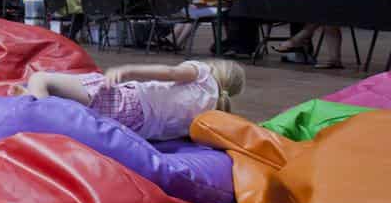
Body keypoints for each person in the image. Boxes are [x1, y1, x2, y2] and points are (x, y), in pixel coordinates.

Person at [16, 59, 244, 141]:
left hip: (129, 101)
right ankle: (34, 102)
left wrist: (128, 70)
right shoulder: (214, 109)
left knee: (40, 79)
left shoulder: (203, 74)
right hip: (136, 128)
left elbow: (169, 72)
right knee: (69, 100)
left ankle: (38, 121)